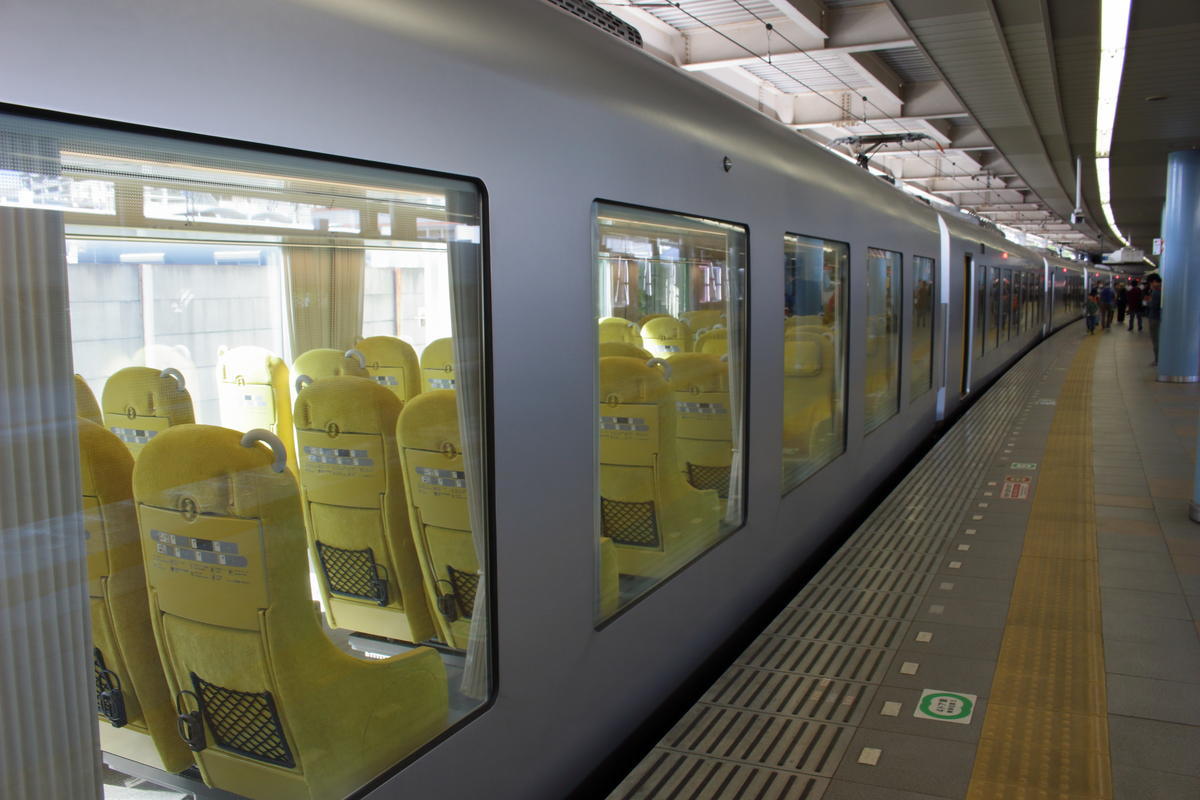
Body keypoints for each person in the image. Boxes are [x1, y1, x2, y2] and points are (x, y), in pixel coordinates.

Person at [1146, 274, 1162, 364]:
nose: (1150, 285)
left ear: (1154, 282)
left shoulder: (1155, 292)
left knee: (1155, 339)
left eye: (1151, 283)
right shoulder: (1163, 290)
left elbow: (1153, 306)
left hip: (1154, 318)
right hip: (1159, 317)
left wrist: (1148, 301)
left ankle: (1157, 359)